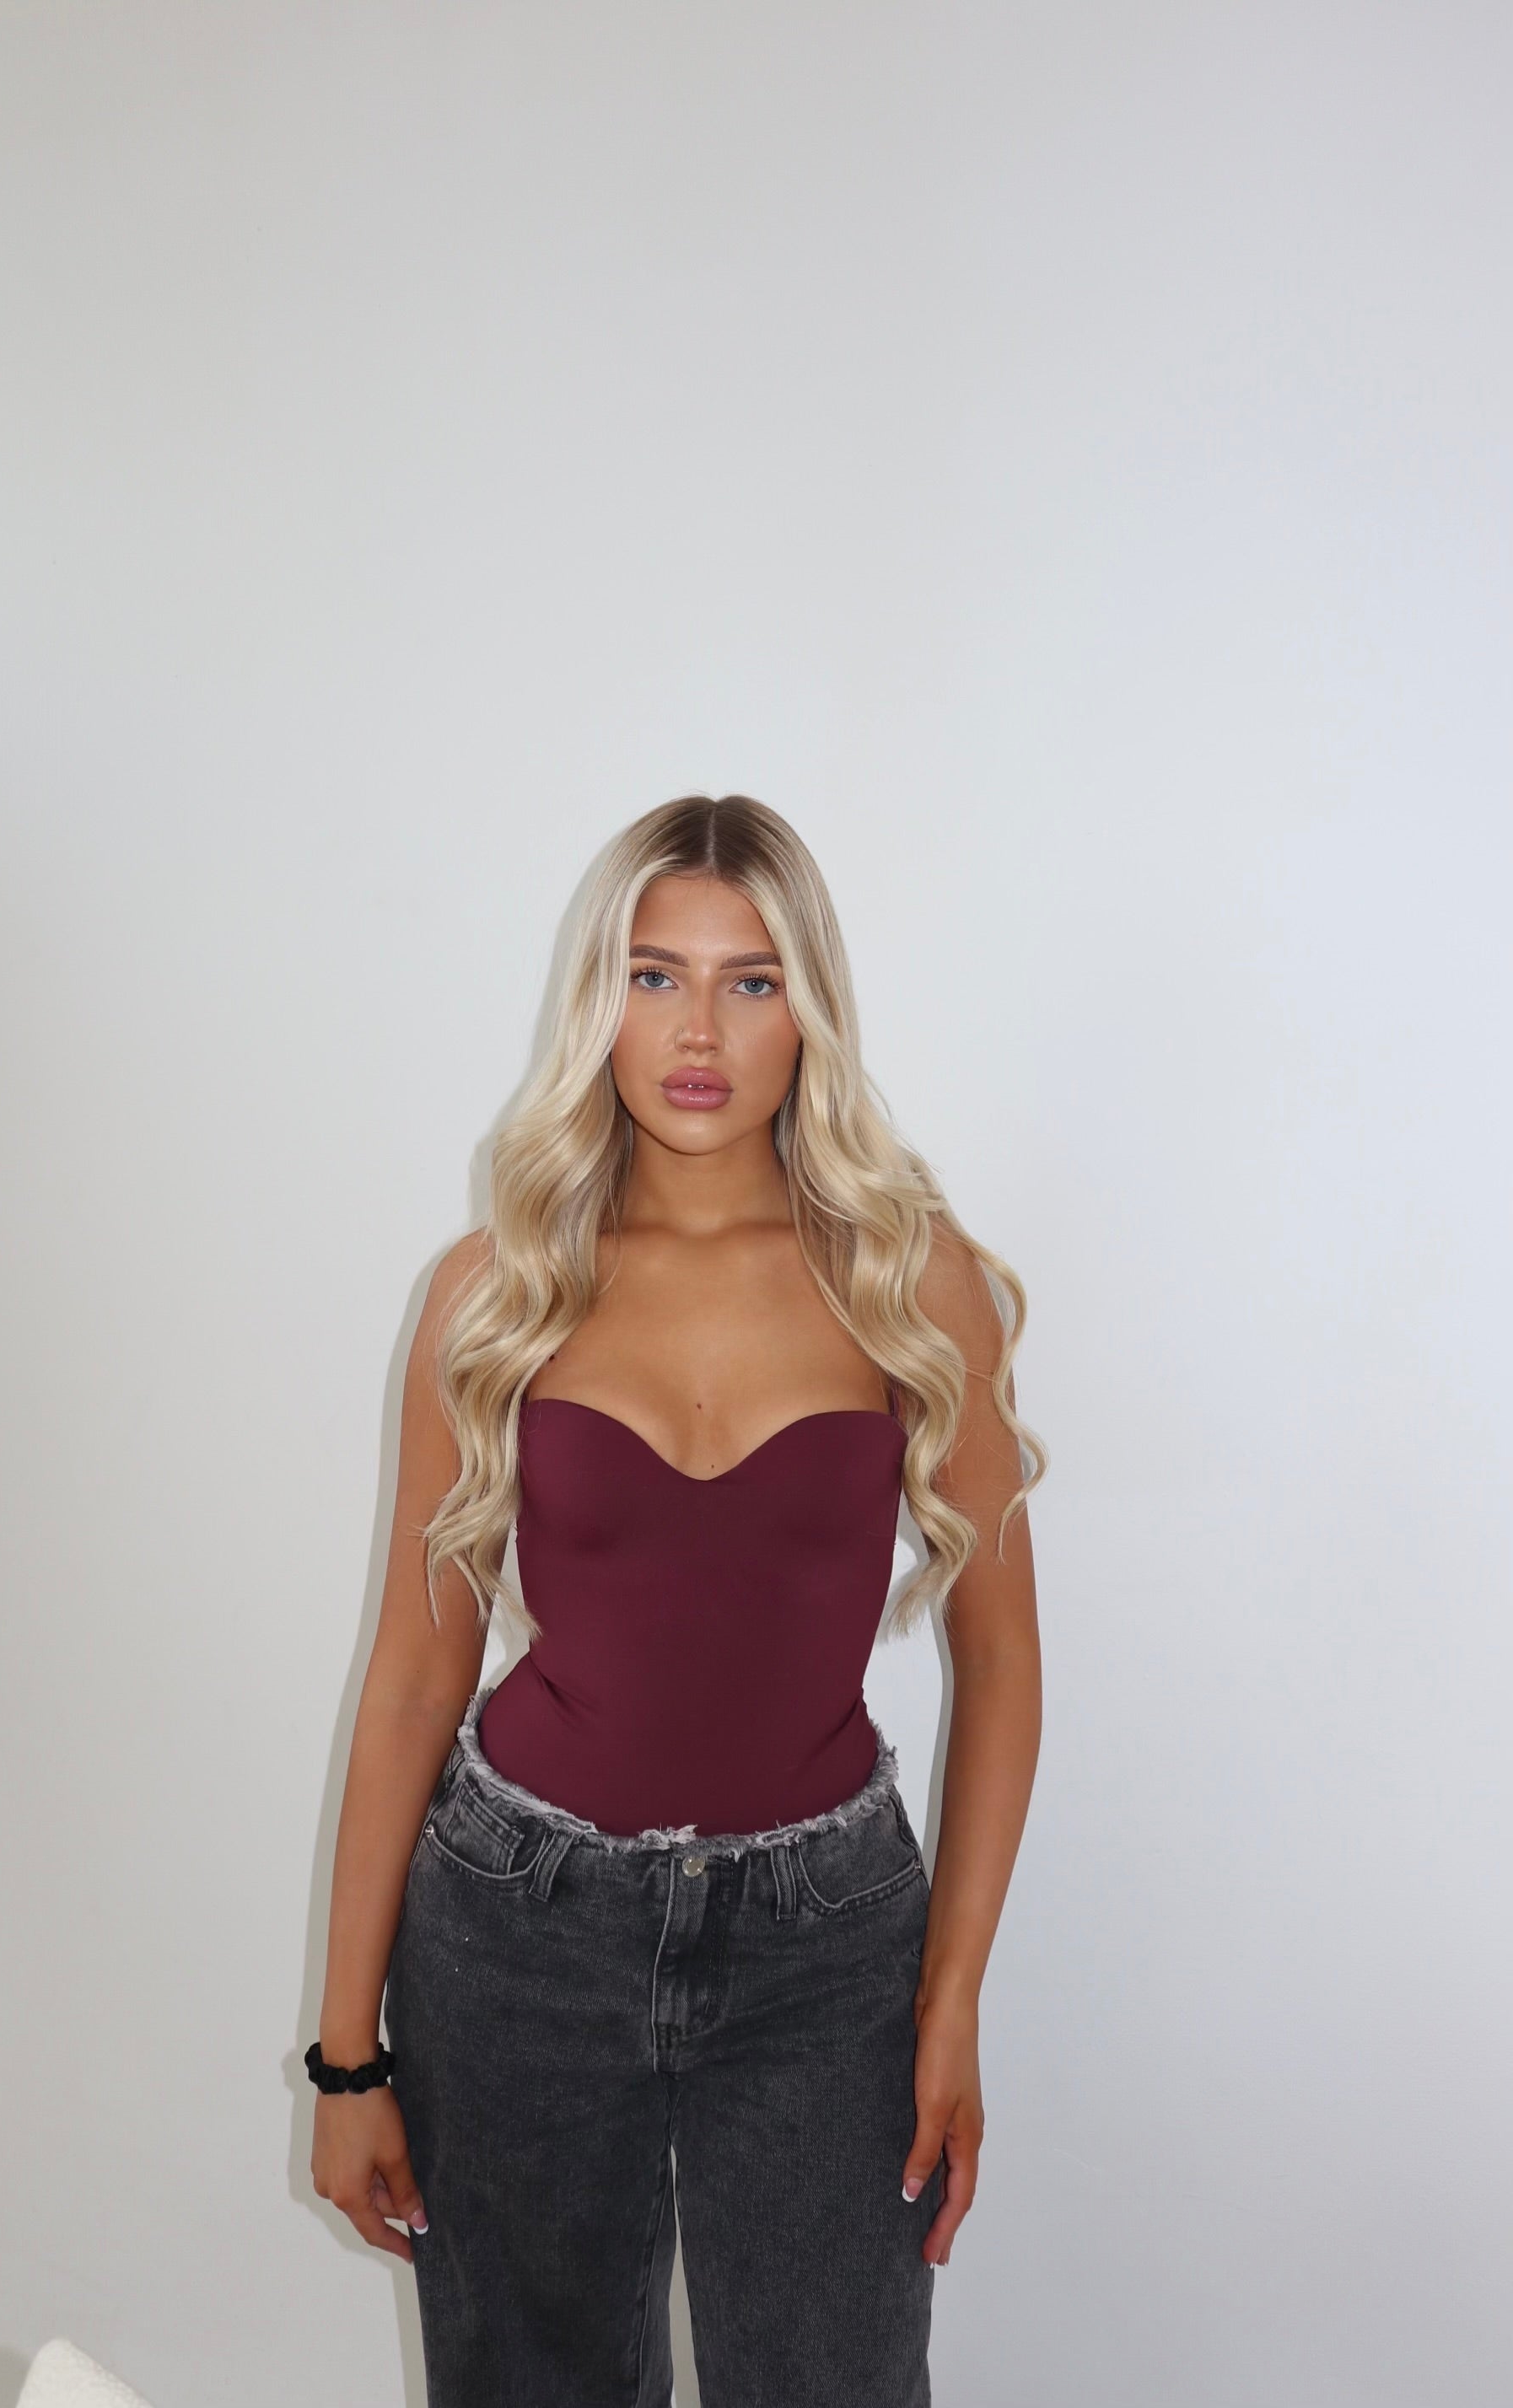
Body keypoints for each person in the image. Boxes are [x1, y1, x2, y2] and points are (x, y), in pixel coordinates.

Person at [306, 793, 1047, 2407]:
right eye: (654, 976)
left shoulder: (911, 1280)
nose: (697, 1031)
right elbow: (416, 1678)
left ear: (810, 1011)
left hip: (827, 1955)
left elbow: (999, 1660)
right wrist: (346, 2053)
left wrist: (953, 2001)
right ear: (601, 1001)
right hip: (518, 1937)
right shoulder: (494, 1290)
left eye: (750, 981)